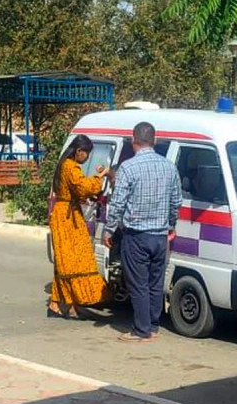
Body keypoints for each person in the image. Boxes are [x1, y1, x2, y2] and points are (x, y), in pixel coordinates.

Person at [103, 122, 182, 342]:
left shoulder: (128, 168)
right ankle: (154, 326)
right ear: (154, 141)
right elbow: (176, 201)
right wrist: (171, 225)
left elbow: (118, 204)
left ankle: (141, 329)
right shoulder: (169, 167)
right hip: (160, 236)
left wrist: (109, 231)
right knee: (155, 283)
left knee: (137, 283)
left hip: (136, 236)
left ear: (133, 140)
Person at [48, 135, 110, 319]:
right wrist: (100, 176)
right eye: (87, 153)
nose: (87, 158)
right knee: (72, 260)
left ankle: (65, 303)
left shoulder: (66, 165)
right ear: (79, 151)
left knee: (66, 261)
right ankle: (65, 302)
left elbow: (77, 191)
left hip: (68, 213)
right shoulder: (70, 166)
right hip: (66, 217)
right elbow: (83, 187)